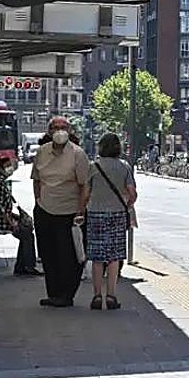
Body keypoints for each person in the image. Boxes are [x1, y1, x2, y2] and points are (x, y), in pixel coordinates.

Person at [31, 116, 89, 307]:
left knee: (69, 256)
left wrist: (80, 211)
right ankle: (53, 293)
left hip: (70, 212)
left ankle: (66, 294)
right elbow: (37, 180)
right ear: (49, 131)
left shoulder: (78, 154)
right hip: (45, 210)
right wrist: (38, 201)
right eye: (55, 127)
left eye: (63, 127)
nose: (59, 131)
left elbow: (84, 186)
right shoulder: (41, 152)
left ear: (70, 130)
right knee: (48, 254)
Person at [86, 133, 137, 310]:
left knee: (97, 258)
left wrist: (81, 210)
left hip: (95, 214)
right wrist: (127, 206)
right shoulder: (124, 167)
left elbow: (85, 193)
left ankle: (97, 296)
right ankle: (111, 296)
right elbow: (132, 193)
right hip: (117, 215)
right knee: (114, 257)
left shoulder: (93, 167)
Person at [0, 155, 39, 276]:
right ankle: (28, 267)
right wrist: (12, 223)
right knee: (26, 235)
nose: (10, 168)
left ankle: (22, 266)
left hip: (0, 217)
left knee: (26, 233)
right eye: (6, 166)